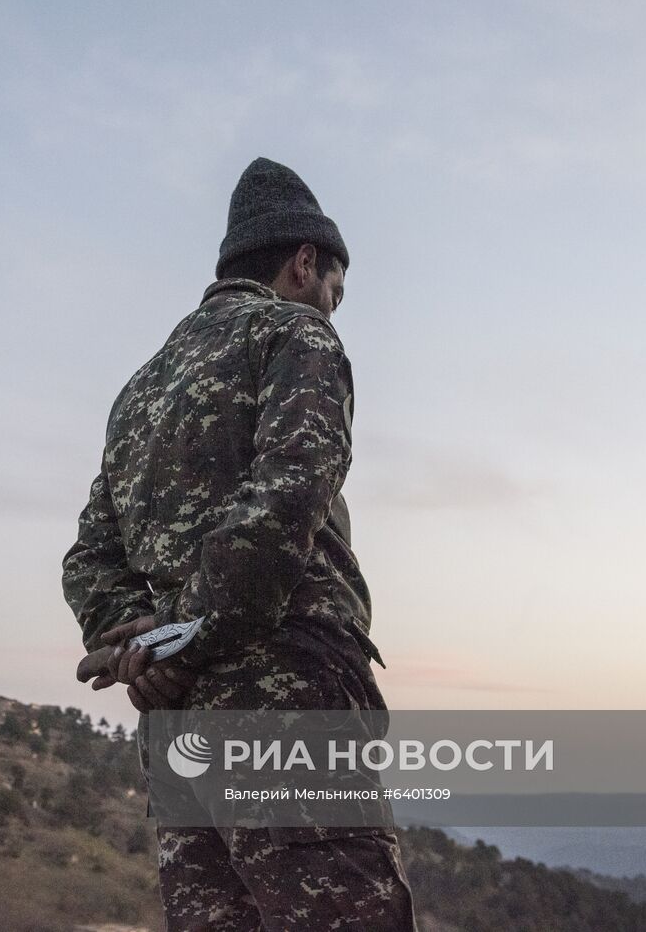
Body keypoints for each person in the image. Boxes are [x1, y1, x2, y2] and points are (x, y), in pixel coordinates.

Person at [62, 157, 417, 930]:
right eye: (336, 291)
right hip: (284, 702)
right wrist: (184, 640)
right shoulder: (295, 334)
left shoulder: (143, 388)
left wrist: (147, 650)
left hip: (180, 733)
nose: (333, 309)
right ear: (304, 262)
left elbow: (91, 558)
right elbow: (285, 497)